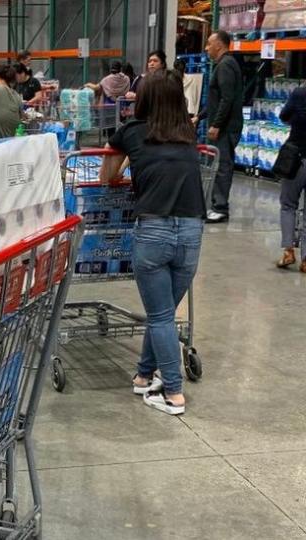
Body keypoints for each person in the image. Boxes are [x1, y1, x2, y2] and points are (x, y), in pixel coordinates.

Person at [99, 70, 206, 416]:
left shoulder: (131, 132)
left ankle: (173, 393)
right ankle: (144, 375)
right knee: (162, 313)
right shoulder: (187, 134)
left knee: (160, 316)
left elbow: (107, 176)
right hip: (191, 231)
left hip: (154, 230)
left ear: (142, 99)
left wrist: (132, 159)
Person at [198, 30, 244, 223]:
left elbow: (227, 99)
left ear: (219, 45)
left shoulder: (225, 66)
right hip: (223, 126)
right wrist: (199, 117)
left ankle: (220, 208)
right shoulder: (223, 65)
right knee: (218, 165)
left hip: (225, 128)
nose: (207, 48)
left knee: (222, 166)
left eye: (209, 44)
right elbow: (217, 99)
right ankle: (216, 204)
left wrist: (216, 124)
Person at [276, 83, 306, 272]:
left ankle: (288, 251)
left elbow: (284, 116)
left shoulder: (299, 92)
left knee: (288, 205)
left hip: (296, 159)